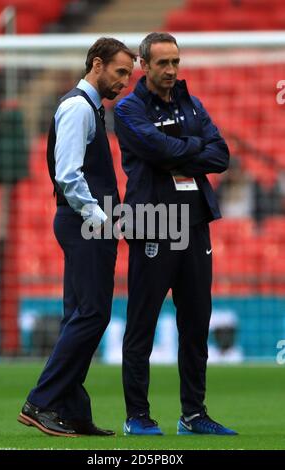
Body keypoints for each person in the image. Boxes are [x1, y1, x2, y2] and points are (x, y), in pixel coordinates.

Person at [114, 32, 237, 436]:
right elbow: (153, 148)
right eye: (163, 63)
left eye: (175, 63)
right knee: (142, 323)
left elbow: (220, 154)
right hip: (153, 223)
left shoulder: (191, 102)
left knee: (196, 323)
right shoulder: (129, 109)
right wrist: (191, 145)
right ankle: (137, 416)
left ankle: (194, 415)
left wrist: (178, 148)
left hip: (195, 224)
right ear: (144, 66)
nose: (171, 71)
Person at [18, 37, 135, 437]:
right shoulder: (77, 108)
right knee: (93, 314)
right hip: (84, 222)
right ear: (97, 64)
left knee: (80, 314)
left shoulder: (91, 110)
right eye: (120, 72)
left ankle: (72, 408)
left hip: (85, 222)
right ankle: (42, 401)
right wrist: (101, 219)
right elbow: (68, 175)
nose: (125, 82)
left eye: (129, 75)